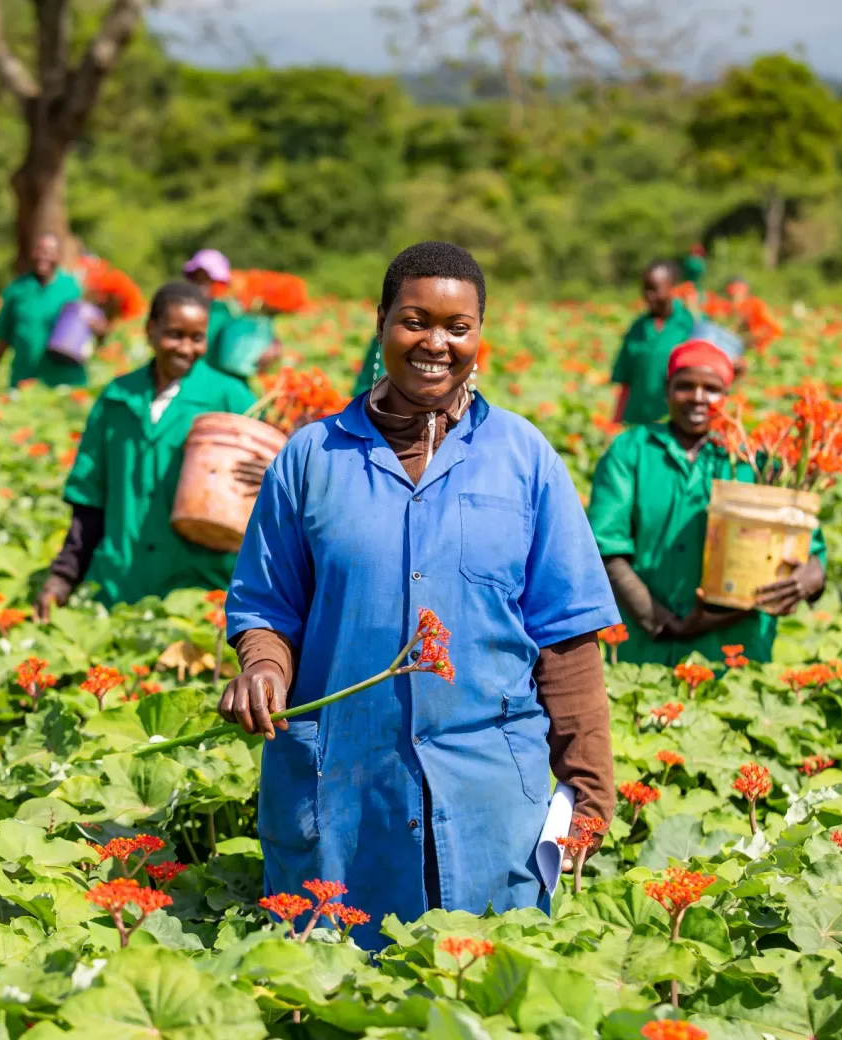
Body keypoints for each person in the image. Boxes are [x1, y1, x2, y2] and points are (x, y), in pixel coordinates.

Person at [218, 242, 618, 948]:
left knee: (485, 993)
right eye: (414, 320)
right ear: (380, 324)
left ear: (479, 337)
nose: (436, 343)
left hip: (493, 798)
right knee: (337, 995)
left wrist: (589, 790)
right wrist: (264, 666)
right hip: (342, 792)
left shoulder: (524, 458)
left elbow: (568, 637)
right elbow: (266, 607)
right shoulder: (311, 457)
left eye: (457, 327)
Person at [588, 340, 826, 666]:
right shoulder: (631, 451)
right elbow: (607, 548)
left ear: (727, 395)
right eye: (685, 386)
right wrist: (664, 623)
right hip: (647, 647)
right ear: (666, 388)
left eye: (711, 389)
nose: (698, 397)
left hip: (736, 649)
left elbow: (812, 551)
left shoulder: (755, 458)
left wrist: (808, 579)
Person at [34, 281, 262, 616]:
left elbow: (276, 505)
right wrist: (63, 575)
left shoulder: (232, 398)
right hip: (117, 589)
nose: (186, 348)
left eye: (196, 337)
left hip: (199, 596)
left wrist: (272, 477)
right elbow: (90, 501)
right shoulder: (117, 398)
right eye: (174, 334)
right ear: (150, 330)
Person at [0, 233, 86, 388]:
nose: (44, 257)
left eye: (50, 252)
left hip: (62, 379)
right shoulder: (17, 290)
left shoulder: (71, 288)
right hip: (25, 378)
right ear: (32, 253)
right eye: (40, 250)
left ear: (58, 256)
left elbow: (86, 329)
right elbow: (3, 338)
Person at [610, 261, 696, 427]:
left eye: (654, 289)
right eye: (645, 289)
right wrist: (615, 421)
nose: (648, 295)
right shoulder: (638, 327)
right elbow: (625, 382)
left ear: (672, 288)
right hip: (636, 422)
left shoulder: (689, 324)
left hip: (674, 425)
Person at [184, 249, 280, 381]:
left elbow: (262, 335)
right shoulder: (184, 310)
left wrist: (273, 348)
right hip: (195, 380)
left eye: (209, 278)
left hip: (232, 381)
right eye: (198, 276)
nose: (202, 283)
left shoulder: (230, 310)